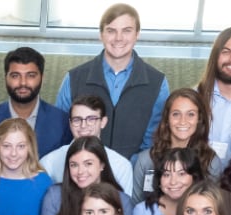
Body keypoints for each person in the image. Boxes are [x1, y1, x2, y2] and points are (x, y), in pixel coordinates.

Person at [54, 4, 169, 156]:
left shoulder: (158, 83)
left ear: (137, 34)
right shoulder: (73, 78)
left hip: (133, 174)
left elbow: (154, 141)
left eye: (126, 30)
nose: (118, 38)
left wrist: (126, 170)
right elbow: (61, 133)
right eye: (111, 31)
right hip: (82, 173)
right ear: (101, 34)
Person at [0, 47, 70, 174]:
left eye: (31, 76)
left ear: (42, 77)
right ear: (6, 78)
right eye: (15, 76)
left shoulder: (62, 122)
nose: (23, 82)